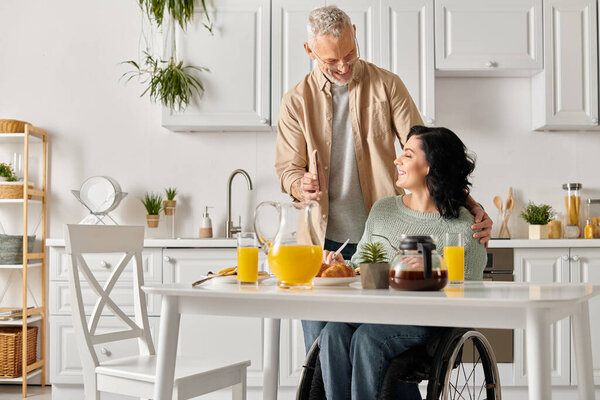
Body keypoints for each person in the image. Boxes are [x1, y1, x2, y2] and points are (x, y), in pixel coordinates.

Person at [274, 5, 492, 353]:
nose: (344, 67)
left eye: (350, 54)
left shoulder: (387, 85)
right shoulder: (295, 102)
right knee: (322, 349)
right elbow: (287, 168)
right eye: (332, 61)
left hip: (383, 241)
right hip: (321, 247)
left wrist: (469, 203)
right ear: (309, 51)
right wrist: (300, 184)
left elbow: (429, 155)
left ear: (356, 33)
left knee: (376, 349)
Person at [318, 125, 488, 400]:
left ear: (431, 166)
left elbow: (467, 293)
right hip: (373, 313)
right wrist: (343, 263)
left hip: (424, 323)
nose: (397, 160)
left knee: (368, 339)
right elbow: (361, 261)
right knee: (332, 332)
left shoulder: (466, 228)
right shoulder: (383, 209)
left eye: (407, 155)